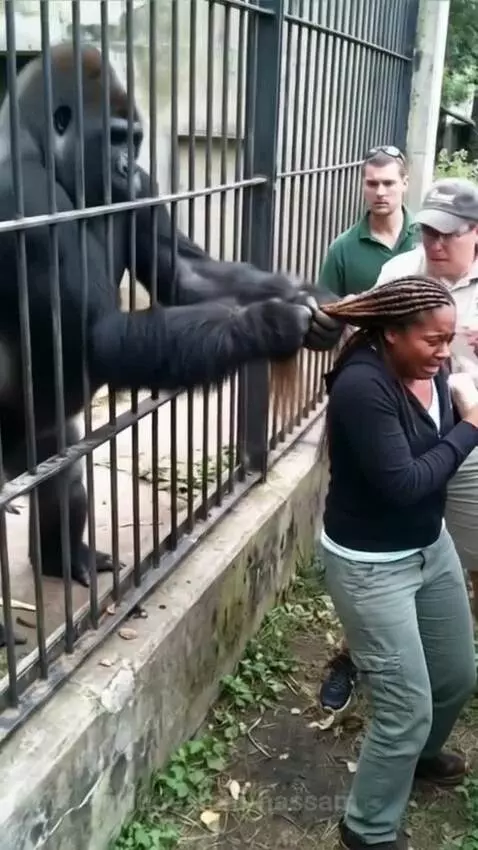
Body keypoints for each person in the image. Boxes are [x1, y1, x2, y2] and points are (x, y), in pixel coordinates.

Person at [317, 277, 478, 850]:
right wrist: (471, 429)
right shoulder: (363, 386)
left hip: (428, 548)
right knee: (404, 709)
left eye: (449, 340)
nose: (443, 352)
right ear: (390, 333)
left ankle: (415, 759)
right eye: (433, 341)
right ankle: (366, 829)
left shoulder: (429, 371)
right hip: (370, 566)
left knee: (457, 675)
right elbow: (403, 483)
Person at [319, 175, 478, 716]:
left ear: (474, 234)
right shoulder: (398, 277)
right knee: (397, 524)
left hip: (462, 441)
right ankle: (361, 655)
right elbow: (364, 353)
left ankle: (441, 655)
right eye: (429, 231)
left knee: (454, 557)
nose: (435, 244)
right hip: (421, 436)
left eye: (449, 235)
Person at [318, 145, 416, 297]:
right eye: (372, 184)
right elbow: (324, 308)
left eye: (388, 183)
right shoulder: (342, 249)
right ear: (363, 185)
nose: (380, 192)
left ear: (405, 184)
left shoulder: (427, 238)